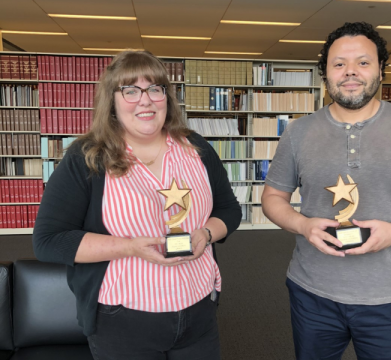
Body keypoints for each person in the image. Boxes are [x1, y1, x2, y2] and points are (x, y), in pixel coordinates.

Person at [261, 22, 391, 360]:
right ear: (325, 72)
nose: (350, 72)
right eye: (339, 63)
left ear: (381, 69)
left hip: (389, 295)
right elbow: (272, 198)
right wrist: (302, 224)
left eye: (363, 62)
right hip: (312, 292)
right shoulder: (298, 132)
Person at [33, 50, 242, 360]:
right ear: (112, 101)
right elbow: (48, 241)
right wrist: (129, 247)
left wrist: (207, 234)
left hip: (198, 311)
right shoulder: (86, 157)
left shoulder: (197, 148)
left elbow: (228, 210)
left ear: (166, 97)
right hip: (122, 320)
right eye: (130, 90)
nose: (145, 100)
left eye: (155, 88)